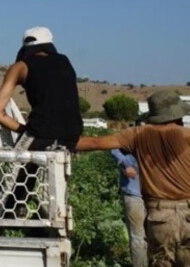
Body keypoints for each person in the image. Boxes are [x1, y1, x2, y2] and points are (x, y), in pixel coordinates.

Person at [77, 90, 190, 266]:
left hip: (161, 216)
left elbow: (94, 143)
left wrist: (49, 138)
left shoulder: (137, 134)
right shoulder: (186, 135)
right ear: (177, 115)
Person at [0, 26, 83, 151]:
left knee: (17, 170)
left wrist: (25, 131)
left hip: (38, 134)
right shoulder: (65, 61)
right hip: (72, 136)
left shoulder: (20, 67)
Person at [110, 148, 147, 267]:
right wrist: (125, 164)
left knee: (160, 234)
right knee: (138, 237)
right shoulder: (133, 133)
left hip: (159, 195)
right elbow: (115, 149)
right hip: (134, 193)